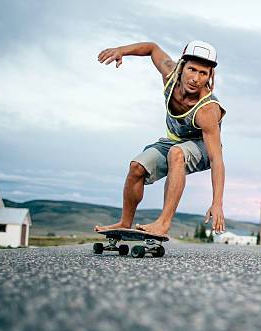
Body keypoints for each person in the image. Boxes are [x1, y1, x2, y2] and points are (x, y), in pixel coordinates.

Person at [94, 40, 226, 236]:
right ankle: (125, 222)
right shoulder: (170, 74)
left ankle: (163, 223)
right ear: (181, 67)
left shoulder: (207, 109)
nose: (195, 79)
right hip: (173, 141)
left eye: (203, 73)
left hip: (204, 149)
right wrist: (121, 50)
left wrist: (217, 203)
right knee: (137, 167)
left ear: (209, 76)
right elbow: (152, 48)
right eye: (192, 70)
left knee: (177, 153)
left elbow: (217, 160)